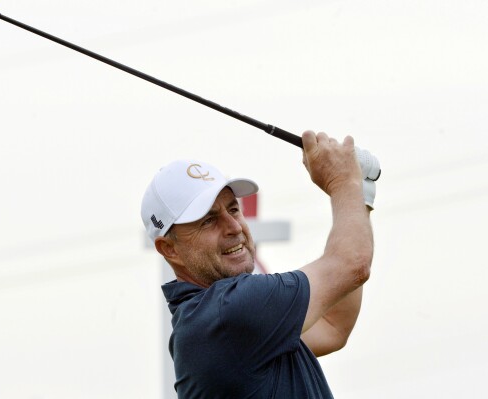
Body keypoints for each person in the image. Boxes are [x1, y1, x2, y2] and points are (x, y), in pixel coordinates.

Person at [140, 131, 378, 398]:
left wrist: (360, 193)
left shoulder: (220, 325)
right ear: (169, 249)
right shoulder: (227, 312)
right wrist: (343, 181)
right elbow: (351, 265)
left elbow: (332, 325)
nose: (234, 227)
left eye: (233, 209)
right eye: (208, 220)